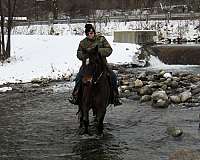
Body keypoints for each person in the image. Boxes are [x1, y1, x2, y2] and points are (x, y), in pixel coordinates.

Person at [69, 24, 122, 106]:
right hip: (87, 65)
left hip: (102, 64)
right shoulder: (83, 43)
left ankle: (115, 96)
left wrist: (98, 51)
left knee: (113, 76)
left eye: (92, 32)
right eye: (88, 33)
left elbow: (109, 50)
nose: (91, 34)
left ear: (94, 32)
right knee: (79, 77)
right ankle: (75, 95)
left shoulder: (101, 39)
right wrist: (88, 55)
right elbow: (79, 54)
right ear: (86, 34)